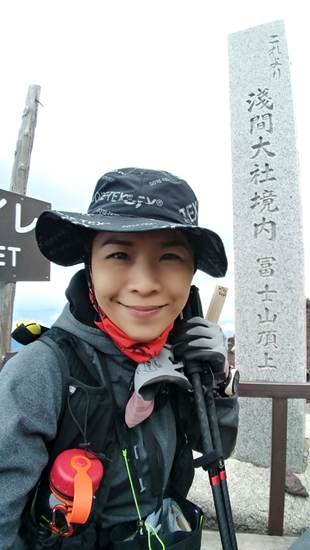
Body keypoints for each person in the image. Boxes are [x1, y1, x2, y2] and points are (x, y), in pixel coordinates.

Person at [0, 167, 239, 550]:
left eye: (170, 257)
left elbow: (215, 447)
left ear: (192, 272)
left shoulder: (177, 356)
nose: (144, 282)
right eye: (118, 254)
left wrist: (218, 380)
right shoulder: (41, 371)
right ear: (89, 265)